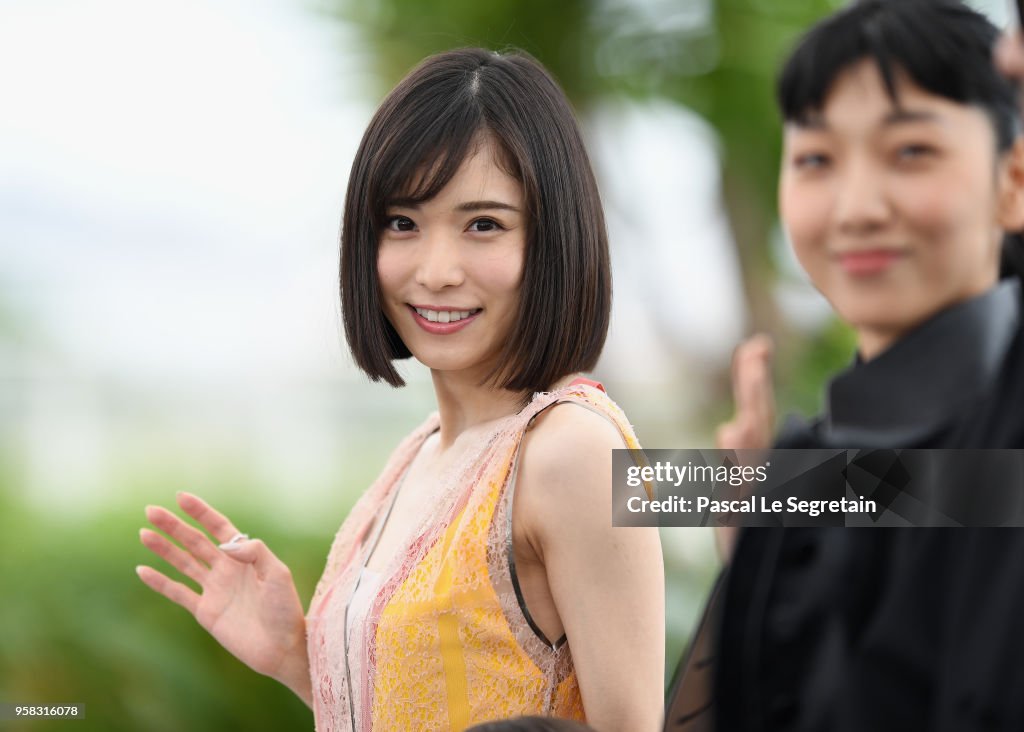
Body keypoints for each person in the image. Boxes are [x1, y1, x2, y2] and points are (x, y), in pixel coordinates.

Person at [137, 48, 664, 732]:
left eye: (484, 225)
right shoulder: (420, 453)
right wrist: (298, 656)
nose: (436, 270)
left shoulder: (571, 452)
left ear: (554, 241)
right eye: (402, 223)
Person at [666, 1, 1024, 730]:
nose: (856, 208)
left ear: (1013, 181)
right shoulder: (808, 462)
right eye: (816, 160)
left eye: (911, 152)